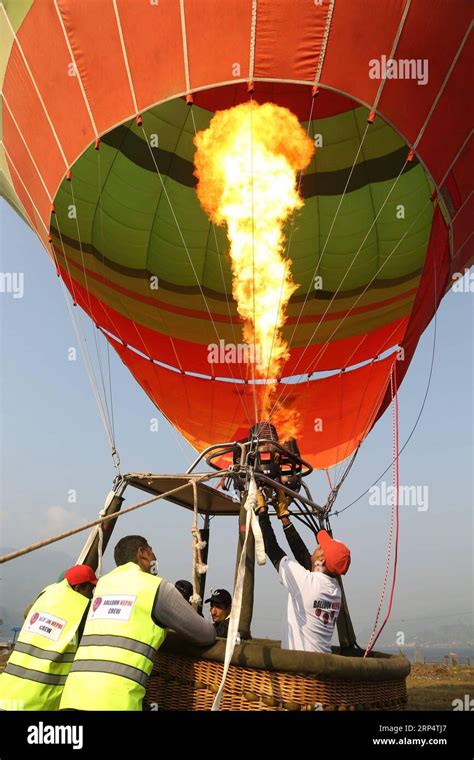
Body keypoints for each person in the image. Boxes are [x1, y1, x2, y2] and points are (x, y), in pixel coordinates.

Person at [59, 535, 216, 710]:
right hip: (115, 703)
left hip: (72, 698)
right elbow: (206, 635)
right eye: (152, 552)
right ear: (143, 553)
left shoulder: (102, 585)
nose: (155, 559)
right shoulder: (156, 587)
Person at [256, 494, 350, 653]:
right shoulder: (334, 590)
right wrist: (284, 518)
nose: (316, 547)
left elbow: (271, 548)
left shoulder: (307, 584)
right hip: (321, 663)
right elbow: (305, 558)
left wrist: (262, 510)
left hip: (300, 670)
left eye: (319, 547)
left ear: (321, 558)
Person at [0, 565, 97, 710]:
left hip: (7, 691)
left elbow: (28, 613)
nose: (91, 595)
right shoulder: (79, 611)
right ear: (77, 588)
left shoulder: (46, 596)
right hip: (38, 699)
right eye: (90, 589)